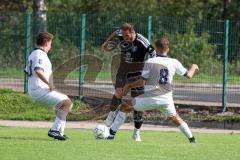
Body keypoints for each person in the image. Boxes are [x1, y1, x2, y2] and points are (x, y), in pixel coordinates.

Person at [110, 37, 199, 143]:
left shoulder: (150, 61)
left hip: (150, 98)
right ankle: (192, 139)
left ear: (156, 49)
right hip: (166, 100)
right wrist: (194, 67)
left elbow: (141, 82)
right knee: (176, 118)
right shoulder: (174, 62)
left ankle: (110, 135)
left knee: (125, 107)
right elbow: (189, 75)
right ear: (168, 49)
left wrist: (128, 85)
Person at [101, 23, 156, 141]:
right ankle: (112, 113)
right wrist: (107, 42)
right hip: (123, 70)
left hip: (137, 74)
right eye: (124, 36)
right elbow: (115, 33)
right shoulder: (121, 33)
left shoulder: (142, 41)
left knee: (137, 104)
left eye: (127, 36)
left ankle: (136, 132)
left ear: (132, 32)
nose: (125, 38)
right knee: (118, 93)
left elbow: (153, 53)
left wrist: (149, 68)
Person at [24, 32, 73, 141]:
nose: (51, 45)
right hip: (39, 89)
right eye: (51, 42)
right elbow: (38, 71)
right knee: (66, 103)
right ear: (46, 42)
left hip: (37, 88)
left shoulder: (34, 53)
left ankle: (59, 132)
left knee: (66, 103)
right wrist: (49, 84)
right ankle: (54, 130)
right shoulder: (39, 54)